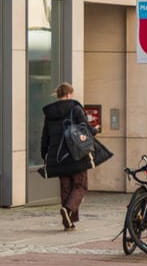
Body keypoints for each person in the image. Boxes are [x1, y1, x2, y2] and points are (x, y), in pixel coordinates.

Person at [40, 83, 108, 230]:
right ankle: (69, 208)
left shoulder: (50, 113)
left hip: (57, 157)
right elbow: (85, 129)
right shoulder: (75, 109)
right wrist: (95, 130)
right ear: (70, 94)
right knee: (80, 185)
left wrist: (44, 154)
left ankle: (68, 222)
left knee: (66, 187)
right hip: (76, 155)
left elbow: (45, 136)